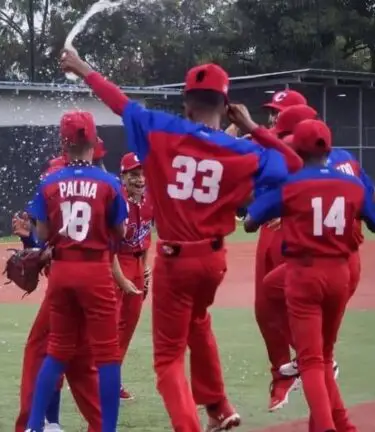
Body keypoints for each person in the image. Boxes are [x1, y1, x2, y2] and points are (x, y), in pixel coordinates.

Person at [61, 49, 289, 431]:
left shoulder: (161, 128)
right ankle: (218, 405)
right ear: (227, 104)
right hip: (213, 261)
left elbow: (119, 101)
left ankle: (190, 425)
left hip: (174, 259)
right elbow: (292, 168)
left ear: (185, 102)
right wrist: (253, 128)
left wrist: (84, 67)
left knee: (167, 359)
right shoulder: (244, 150)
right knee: (198, 321)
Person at [244, 119, 375, 432]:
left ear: (297, 148)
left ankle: (325, 427)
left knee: (310, 360)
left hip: (304, 272)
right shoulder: (351, 183)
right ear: (329, 149)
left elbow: (250, 220)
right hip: (339, 272)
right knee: (323, 354)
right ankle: (342, 425)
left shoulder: (293, 184)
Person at [25, 110, 128, 432]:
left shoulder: (50, 182)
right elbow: (121, 231)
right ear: (94, 142)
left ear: (63, 142)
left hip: (62, 271)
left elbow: (41, 234)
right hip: (95, 270)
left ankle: (34, 425)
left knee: (56, 351)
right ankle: (107, 428)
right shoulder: (109, 182)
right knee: (107, 355)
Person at [227, 103, 318, 410]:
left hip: (294, 234)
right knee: (265, 307)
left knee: (292, 302)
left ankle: (312, 359)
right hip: (269, 228)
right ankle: (284, 373)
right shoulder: (270, 141)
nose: (274, 116)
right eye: (272, 111)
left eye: (280, 111)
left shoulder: (299, 148)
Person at [112, 151, 153, 401]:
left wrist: (146, 268)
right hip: (118, 264)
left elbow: (146, 236)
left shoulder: (149, 200)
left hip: (137, 266)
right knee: (111, 326)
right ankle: (98, 380)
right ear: (123, 176)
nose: (140, 179)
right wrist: (120, 279)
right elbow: (109, 246)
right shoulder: (116, 201)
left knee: (128, 326)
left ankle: (112, 380)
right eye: (134, 175)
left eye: (142, 174)